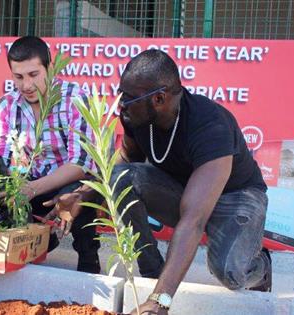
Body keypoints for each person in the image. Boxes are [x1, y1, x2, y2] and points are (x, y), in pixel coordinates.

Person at [51, 49, 271, 314]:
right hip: (182, 192)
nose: (120, 104)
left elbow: (193, 221)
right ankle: (153, 273)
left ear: (158, 98)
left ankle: (261, 267)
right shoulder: (137, 116)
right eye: (121, 93)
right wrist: (84, 193)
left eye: (128, 98)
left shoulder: (211, 126)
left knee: (230, 273)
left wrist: (161, 301)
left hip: (236, 197)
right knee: (122, 179)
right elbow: (126, 158)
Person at [0, 36, 101, 273]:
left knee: (80, 190)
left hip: (69, 181)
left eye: (33, 75)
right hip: (30, 182)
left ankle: (88, 258)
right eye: (18, 77)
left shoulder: (73, 98)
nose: (26, 85)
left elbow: (80, 164)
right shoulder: (7, 104)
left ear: (49, 68)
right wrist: (5, 185)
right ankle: (33, 243)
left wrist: (31, 189)